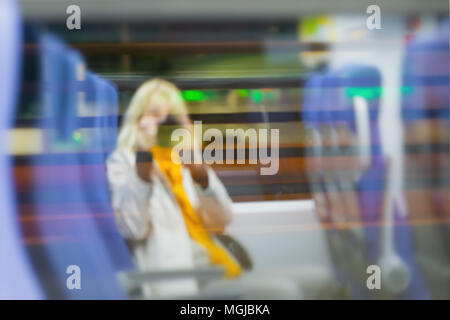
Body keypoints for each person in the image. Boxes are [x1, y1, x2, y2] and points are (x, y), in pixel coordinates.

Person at [106, 79, 242, 298]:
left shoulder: (187, 163)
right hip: (179, 280)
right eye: (156, 114)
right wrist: (143, 166)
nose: (165, 124)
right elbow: (133, 229)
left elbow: (222, 220)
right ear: (138, 120)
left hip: (215, 268)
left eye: (173, 117)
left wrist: (202, 178)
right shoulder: (124, 162)